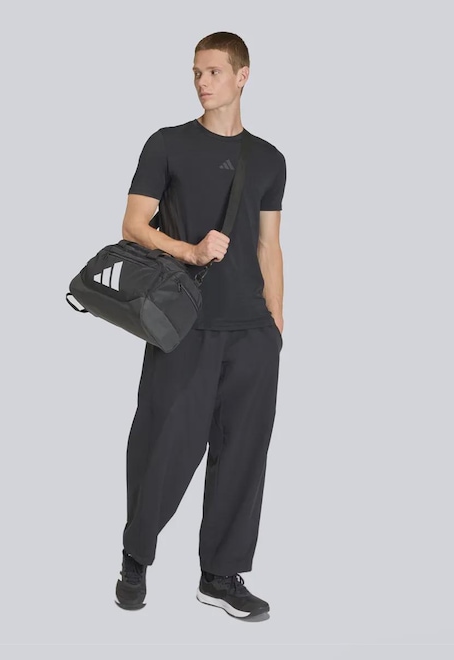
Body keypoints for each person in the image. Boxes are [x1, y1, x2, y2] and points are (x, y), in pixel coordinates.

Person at [114, 31, 286, 620]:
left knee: (243, 454)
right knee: (162, 442)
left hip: (252, 331)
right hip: (182, 323)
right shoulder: (167, 144)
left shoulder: (269, 159)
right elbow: (133, 225)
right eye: (196, 72)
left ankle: (221, 575)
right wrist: (188, 250)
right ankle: (136, 556)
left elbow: (269, 246)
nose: (202, 81)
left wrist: (276, 324)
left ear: (242, 76)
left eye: (213, 71)